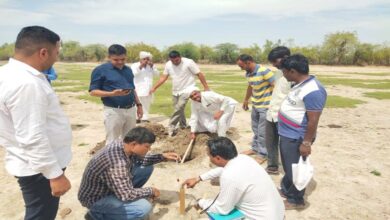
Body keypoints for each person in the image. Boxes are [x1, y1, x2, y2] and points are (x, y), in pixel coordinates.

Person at [0, 26, 72, 220]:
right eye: (56, 52)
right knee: (41, 216)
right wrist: (55, 175)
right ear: (43, 53)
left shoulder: (8, 74)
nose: (57, 58)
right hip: (39, 169)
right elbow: (32, 136)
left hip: (34, 163)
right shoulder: (26, 84)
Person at [78, 127, 180, 220]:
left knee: (146, 169)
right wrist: (150, 191)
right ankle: (96, 215)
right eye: (147, 147)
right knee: (143, 208)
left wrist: (162, 157)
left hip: (109, 189)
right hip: (96, 199)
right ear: (134, 144)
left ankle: (123, 203)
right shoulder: (116, 161)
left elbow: (141, 160)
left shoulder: (123, 145)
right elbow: (126, 194)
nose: (149, 149)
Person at [183, 137, 285, 220]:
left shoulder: (230, 176)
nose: (209, 158)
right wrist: (198, 178)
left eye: (209, 155)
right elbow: (222, 169)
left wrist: (201, 202)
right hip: (278, 212)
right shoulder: (242, 158)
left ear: (218, 158)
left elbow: (222, 209)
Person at [278, 54, 327, 209]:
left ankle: (296, 200)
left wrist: (306, 143)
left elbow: (313, 120)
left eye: (284, 71)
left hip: (296, 136)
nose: (283, 75)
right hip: (287, 134)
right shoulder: (300, 85)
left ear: (292, 71)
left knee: (295, 169)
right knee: (288, 165)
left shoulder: (314, 90)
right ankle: (287, 190)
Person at [89, 44, 143, 144]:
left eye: (123, 59)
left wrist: (139, 105)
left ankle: (127, 159)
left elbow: (132, 89)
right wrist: (112, 93)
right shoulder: (100, 70)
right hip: (114, 111)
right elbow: (93, 92)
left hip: (131, 110)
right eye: (116, 60)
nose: (120, 62)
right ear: (109, 57)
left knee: (130, 141)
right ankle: (111, 160)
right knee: (112, 142)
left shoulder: (128, 70)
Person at [150, 50, 210, 136]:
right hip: (176, 90)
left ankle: (171, 125)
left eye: (177, 60)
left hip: (188, 88)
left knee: (179, 107)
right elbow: (163, 77)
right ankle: (183, 126)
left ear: (180, 57)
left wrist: (206, 87)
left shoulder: (189, 62)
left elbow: (199, 74)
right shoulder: (168, 64)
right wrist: (154, 87)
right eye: (172, 61)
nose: (175, 62)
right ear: (170, 59)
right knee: (179, 110)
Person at [237, 54, 275, 161]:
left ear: (248, 62)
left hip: (266, 106)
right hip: (255, 105)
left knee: (263, 131)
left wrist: (274, 103)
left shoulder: (264, 71)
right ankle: (255, 148)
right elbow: (250, 86)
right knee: (255, 128)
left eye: (241, 66)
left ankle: (263, 154)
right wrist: (246, 100)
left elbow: (274, 84)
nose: (241, 68)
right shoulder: (248, 73)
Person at [265, 46, 292, 175]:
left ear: (284, 58)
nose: (274, 65)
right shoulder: (278, 73)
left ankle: (289, 172)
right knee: (270, 142)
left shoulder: (294, 73)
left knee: (286, 145)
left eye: (275, 61)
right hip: (271, 113)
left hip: (284, 115)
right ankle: (272, 166)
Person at [131, 51, 159, 123]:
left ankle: (144, 118)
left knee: (146, 103)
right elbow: (133, 74)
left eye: (148, 59)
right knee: (137, 104)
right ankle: (137, 118)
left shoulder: (151, 66)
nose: (146, 61)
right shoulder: (135, 65)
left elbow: (157, 74)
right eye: (144, 59)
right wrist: (140, 66)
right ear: (140, 59)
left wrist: (153, 67)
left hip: (148, 89)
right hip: (138, 88)